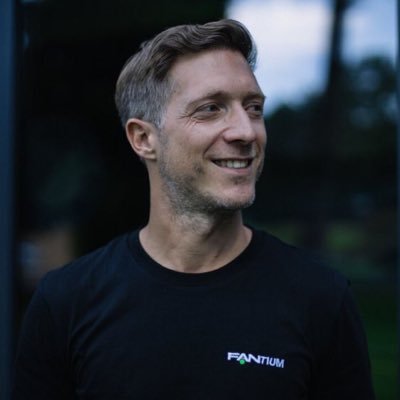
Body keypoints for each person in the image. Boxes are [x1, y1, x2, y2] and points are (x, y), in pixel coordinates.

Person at [12, 19, 375, 399]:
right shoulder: (67, 300)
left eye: (253, 108)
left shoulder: (320, 298)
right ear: (143, 138)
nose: (246, 131)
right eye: (211, 109)